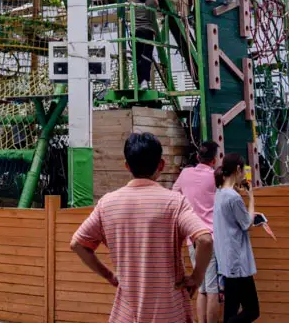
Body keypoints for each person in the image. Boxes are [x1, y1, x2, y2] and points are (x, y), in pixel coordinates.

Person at [71, 132, 213, 323]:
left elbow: (77, 244)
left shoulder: (107, 204)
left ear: (127, 166)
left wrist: (110, 276)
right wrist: (197, 277)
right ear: (161, 165)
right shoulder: (174, 203)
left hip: (125, 314)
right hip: (169, 313)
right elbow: (204, 239)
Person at [173, 141, 221, 323]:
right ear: (214, 159)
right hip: (211, 238)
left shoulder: (185, 174)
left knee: (201, 287)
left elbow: (174, 193)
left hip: (191, 237)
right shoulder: (216, 176)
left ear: (198, 157)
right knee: (212, 288)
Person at [213, 154, 259, 323]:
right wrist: (251, 197)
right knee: (252, 310)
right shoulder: (233, 198)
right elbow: (247, 223)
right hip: (238, 263)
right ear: (238, 169)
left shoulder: (219, 194)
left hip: (226, 262)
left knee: (231, 312)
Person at [133, 0, 158, 92]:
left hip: (137, 32)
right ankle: (145, 81)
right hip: (148, 32)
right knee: (146, 57)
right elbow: (157, 2)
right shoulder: (150, 2)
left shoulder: (132, 1)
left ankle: (140, 81)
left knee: (138, 57)